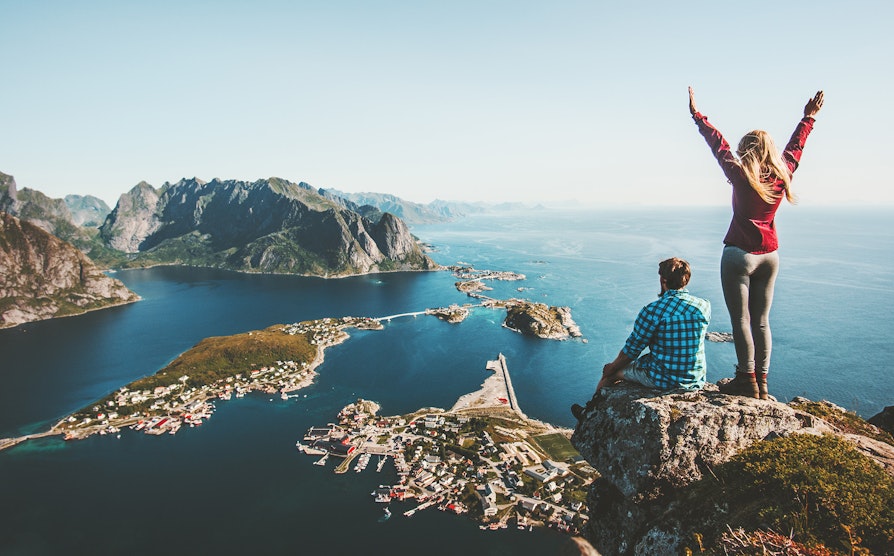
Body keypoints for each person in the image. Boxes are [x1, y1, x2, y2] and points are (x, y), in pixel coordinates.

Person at [689, 87, 824, 399]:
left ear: (746, 150)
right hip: (770, 255)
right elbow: (796, 147)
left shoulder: (739, 174)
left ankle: (745, 380)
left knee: (741, 321)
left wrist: (698, 115)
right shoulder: (783, 174)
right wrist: (809, 117)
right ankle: (762, 382)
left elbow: (717, 144)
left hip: (739, 254)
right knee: (762, 322)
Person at [572, 258, 710, 421]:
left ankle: (588, 414)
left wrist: (611, 368)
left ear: (663, 280)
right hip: (694, 378)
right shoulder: (703, 306)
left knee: (610, 375)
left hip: (664, 378)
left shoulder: (653, 310)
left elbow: (632, 350)